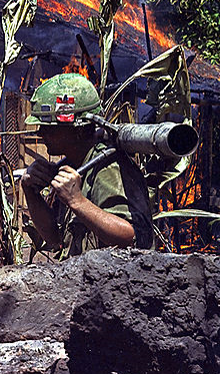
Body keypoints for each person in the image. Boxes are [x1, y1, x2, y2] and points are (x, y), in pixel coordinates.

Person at [21, 73, 153, 258]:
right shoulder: (75, 165)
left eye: (50, 127)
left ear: (79, 130)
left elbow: (130, 236)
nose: (41, 133)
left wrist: (77, 202)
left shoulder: (108, 168)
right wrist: (31, 192)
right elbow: (54, 238)